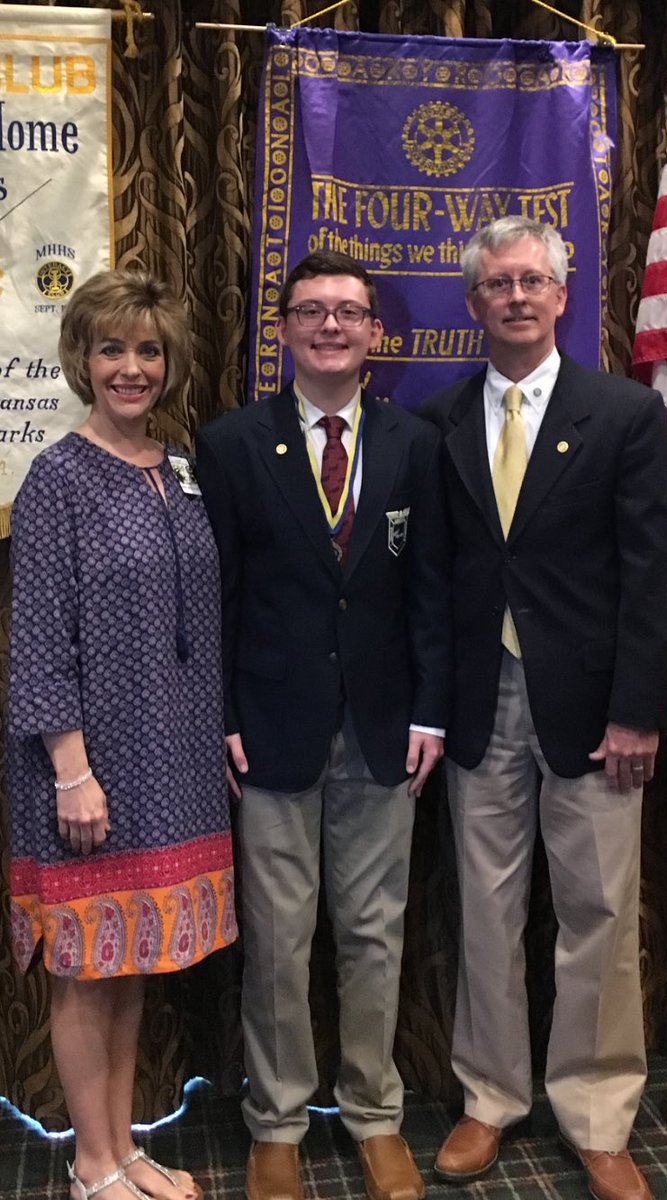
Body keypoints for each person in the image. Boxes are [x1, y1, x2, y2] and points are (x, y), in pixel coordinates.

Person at [422, 216, 667, 1200]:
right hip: (480, 704)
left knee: (600, 913)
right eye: (498, 284)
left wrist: (638, 710)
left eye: (534, 281)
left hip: (596, 710)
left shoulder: (620, 414)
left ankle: (599, 1110)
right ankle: (490, 1098)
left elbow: (653, 576)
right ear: (475, 302)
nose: (518, 296)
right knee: (483, 910)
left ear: (563, 296)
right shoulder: (439, 420)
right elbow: (438, 580)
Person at [196, 250, 451, 1200]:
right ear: (285, 328)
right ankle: (276, 1123)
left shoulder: (412, 444)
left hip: (386, 731)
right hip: (268, 730)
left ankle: (376, 1114)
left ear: (374, 332)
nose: (332, 326)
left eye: (349, 312)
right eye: (312, 311)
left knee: (374, 932)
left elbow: (431, 594)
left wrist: (430, 709)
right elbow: (213, 601)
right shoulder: (229, 445)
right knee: (276, 935)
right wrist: (220, 716)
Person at [8, 270, 237, 1200]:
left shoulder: (177, 467)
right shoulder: (58, 476)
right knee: (85, 970)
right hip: (90, 767)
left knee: (133, 960)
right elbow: (36, 639)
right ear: (83, 359)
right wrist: (71, 772)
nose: (131, 367)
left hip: (171, 764)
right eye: (112, 349)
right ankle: (90, 1165)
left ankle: (125, 1146)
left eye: (148, 350)